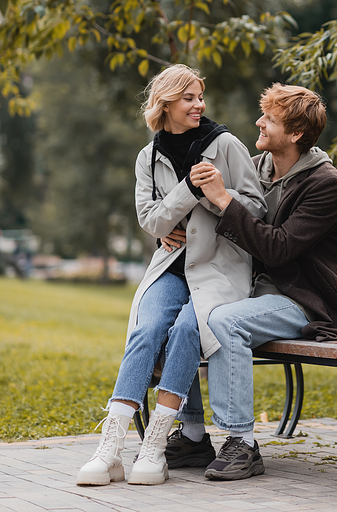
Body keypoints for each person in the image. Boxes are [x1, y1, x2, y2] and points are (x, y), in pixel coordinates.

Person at [162, 83, 337, 480]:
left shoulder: (324, 184)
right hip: (251, 290)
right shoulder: (259, 170)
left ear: (295, 134)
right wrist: (169, 227)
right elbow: (217, 216)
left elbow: (277, 249)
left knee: (225, 321)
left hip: (303, 299)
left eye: (270, 120)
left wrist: (225, 200)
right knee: (186, 319)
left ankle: (242, 444)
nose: (258, 123)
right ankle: (192, 436)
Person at [76, 64, 266, 487]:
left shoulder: (227, 145)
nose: (199, 105)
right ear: (165, 104)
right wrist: (188, 191)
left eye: (201, 97)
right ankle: (109, 450)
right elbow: (153, 221)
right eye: (189, 98)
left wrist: (217, 192)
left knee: (184, 330)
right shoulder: (148, 156)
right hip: (171, 266)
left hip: (219, 269)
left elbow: (256, 210)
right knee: (147, 330)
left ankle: (156, 447)